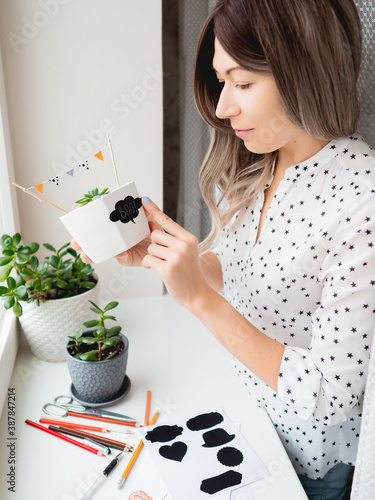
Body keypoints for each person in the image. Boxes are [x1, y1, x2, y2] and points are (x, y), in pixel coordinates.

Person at [75, 1, 375, 498]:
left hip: (299, 464)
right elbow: (238, 272)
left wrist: (198, 300)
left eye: (243, 83)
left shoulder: (361, 202)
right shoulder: (261, 162)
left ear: (306, 70)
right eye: (221, 81)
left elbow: (329, 398)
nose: (221, 107)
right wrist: (171, 257)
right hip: (238, 408)